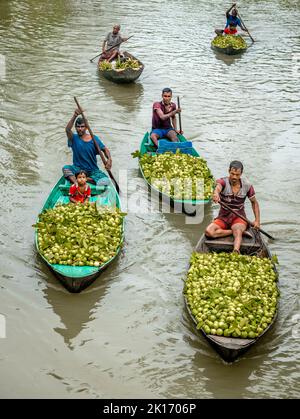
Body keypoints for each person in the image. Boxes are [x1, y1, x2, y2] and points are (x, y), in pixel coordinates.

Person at [205, 161, 260, 254]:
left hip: (239, 217)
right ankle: (233, 231)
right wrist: (216, 194)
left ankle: (236, 251)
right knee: (209, 232)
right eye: (232, 174)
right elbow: (218, 188)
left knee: (237, 230)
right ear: (228, 171)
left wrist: (257, 221)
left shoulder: (247, 186)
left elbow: (254, 203)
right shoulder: (223, 182)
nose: (234, 177)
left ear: (241, 174)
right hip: (223, 217)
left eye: (237, 175)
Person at [63, 109, 112, 186]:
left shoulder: (94, 139)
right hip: (78, 170)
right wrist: (75, 115)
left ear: (86, 128)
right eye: (78, 127)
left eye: (82, 126)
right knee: (66, 168)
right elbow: (67, 129)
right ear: (75, 128)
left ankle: (84, 179)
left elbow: (105, 149)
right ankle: (76, 182)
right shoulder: (73, 138)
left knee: (105, 181)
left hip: (92, 170)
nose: (80, 129)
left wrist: (109, 159)